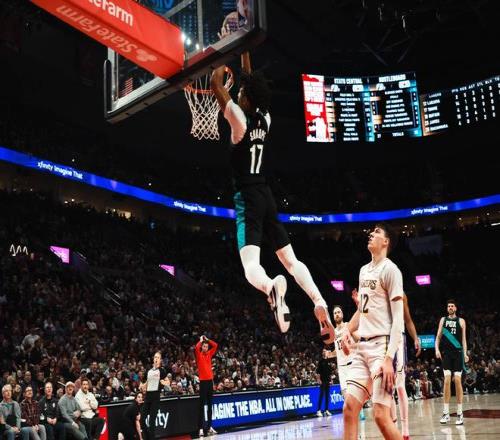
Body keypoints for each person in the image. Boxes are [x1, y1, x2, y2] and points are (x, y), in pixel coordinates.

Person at [210, 51, 334, 344]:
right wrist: (243, 48)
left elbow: (215, 83)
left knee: (250, 266)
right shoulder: (265, 118)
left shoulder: (238, 119)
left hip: (247, 198)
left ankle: (270, 287)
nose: (239, 93)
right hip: (266, 195)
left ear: (247, 99)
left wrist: (219, 57)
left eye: (242, 93)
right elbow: (249, 80)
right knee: (290, 260)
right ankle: (319, 301)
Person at [341, 223, 405, 440]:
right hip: (362, 347)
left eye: (377, 232)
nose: (371, 233)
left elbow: (398, 319)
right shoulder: (363, 270)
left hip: (382, 347)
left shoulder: (391, 270)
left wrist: (388, 359)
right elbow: (363, 310)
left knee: (380, 416)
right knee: (349, 409)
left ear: (386, 242)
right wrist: (347, 330)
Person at [435, 299, 468, 425]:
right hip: (447, 354)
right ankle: (446, 413)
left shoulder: (461, 321)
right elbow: (438, 336)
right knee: (447, 380)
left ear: (455, 308)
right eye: (448, 306)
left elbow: (464, 340)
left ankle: (460, 413)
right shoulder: (443, 320)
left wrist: (465, 353)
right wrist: (437, 349)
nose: (450, 307)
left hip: (458, 353)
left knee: (458, 380)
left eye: (452, 306)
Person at [141, 352, 169, 440]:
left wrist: (163, 382)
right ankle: (148, 436)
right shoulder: (149, 370)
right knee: (142, 418)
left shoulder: (162, 371)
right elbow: (145, 382)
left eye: (158, 357)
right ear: (153, 359)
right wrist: (142, 386)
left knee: (152, 421)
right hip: (148, 396)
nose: (156, 359)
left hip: (155, 397)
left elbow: (168, 382)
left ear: (160, 360)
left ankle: (151, 438)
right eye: (155, 357)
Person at [194, 336, 218, 437]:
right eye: (204, 346)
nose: (205, 348)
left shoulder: (209, 353)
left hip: (210, 383)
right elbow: (196, 347)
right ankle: (200, 428)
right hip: (203, 383)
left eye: (206, 346)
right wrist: (200, 341)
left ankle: (209, 427)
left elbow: (215, 345)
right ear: (202, 347)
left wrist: (208, 340)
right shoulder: (199, 355)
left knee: (210, 406)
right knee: (201, 406)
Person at [315, 349, 333, 417]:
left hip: (328, 381)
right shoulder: (320, 361)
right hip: (322, 381)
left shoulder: (329, 361)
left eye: (325, 351)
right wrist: (318, 379)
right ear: (322, 353)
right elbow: (318, 372)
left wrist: (331, 380)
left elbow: (330, 372)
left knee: (327, 396)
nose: (324, 352)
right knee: (321, 395)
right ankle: (318, 410)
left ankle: (326, 410)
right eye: (323, 351)